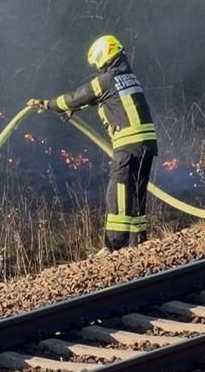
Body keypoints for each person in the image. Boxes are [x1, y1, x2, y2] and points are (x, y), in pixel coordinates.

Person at [29, 34, 157, 253]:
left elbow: (77, 96)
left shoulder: (106, 79)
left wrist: (48, 104)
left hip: (127, 147)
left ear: (103, 55)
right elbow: (106, 99)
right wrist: (76, 108)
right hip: (147, 145)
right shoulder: (128, 77)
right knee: (137, 194)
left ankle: (113, 247)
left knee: (117, 195)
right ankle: (139, 245)